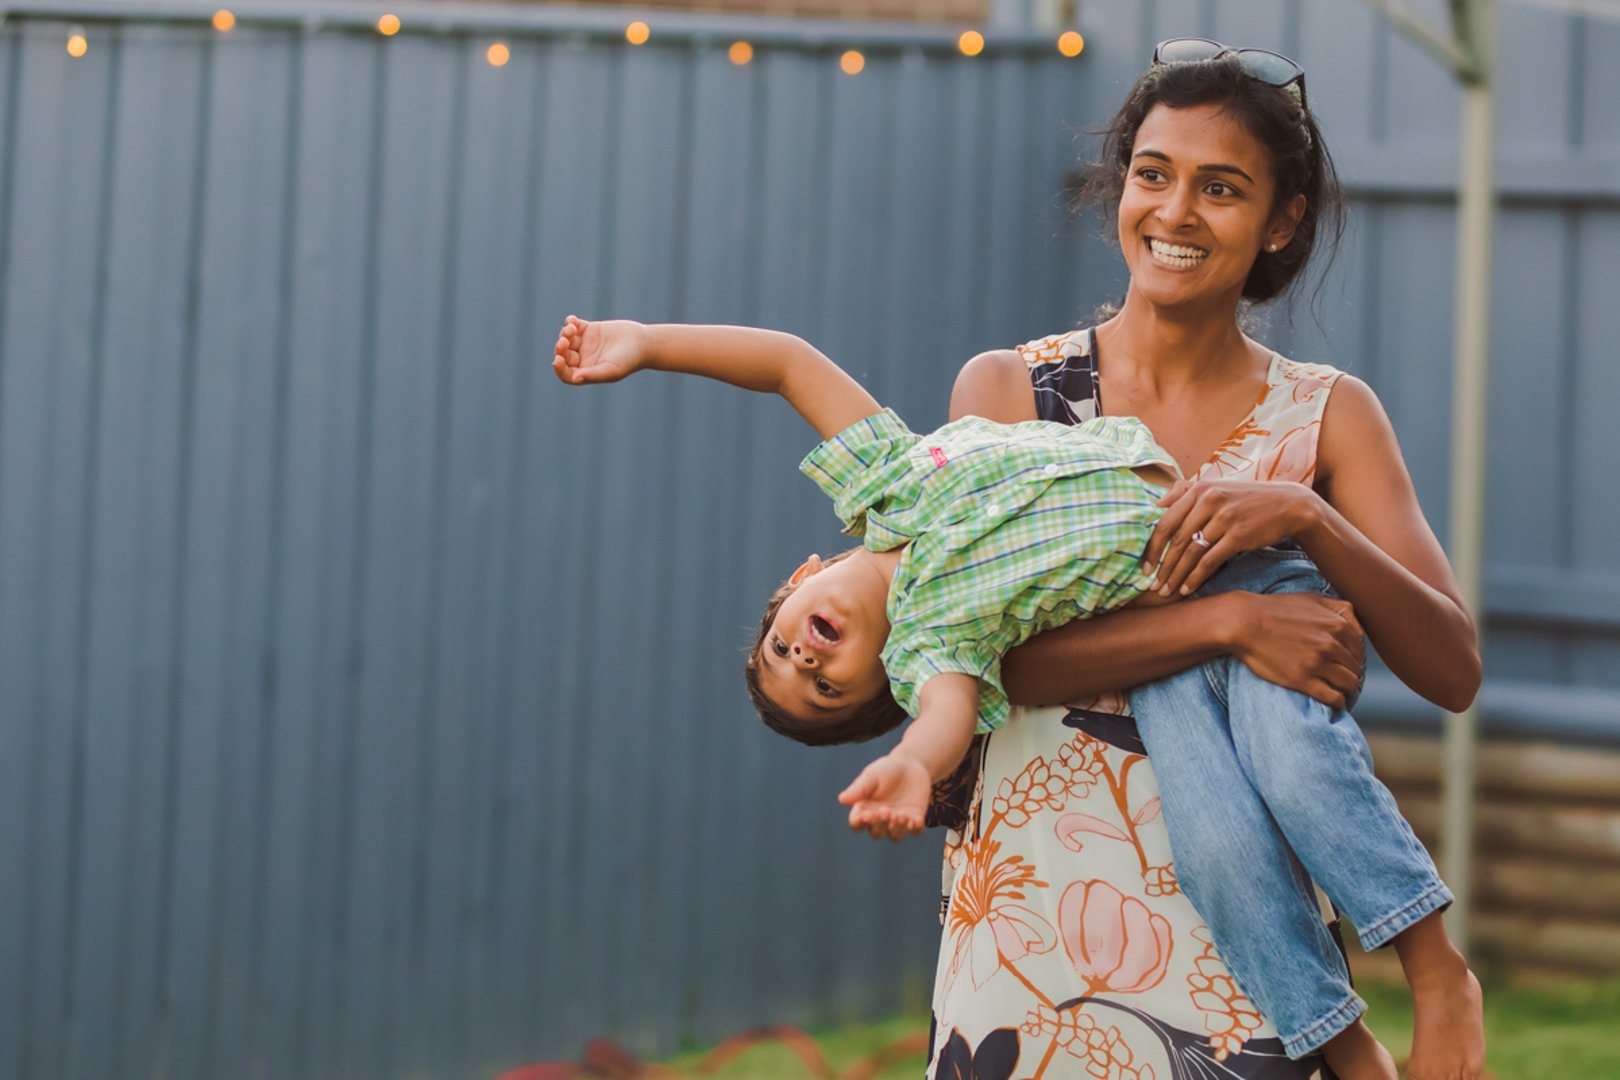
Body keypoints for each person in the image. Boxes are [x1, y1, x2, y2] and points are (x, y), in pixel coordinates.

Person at [551, 297, 1465, 1077]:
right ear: (887, 681)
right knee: (1219, 847)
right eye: (823, 690)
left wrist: (645, 343)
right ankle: (1344, 1045)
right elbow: (951, 711)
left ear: (797, 579)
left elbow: (788, 364)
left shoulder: (890, 477)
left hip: (1243, 565)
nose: (805, 660)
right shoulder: (937, 639)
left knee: (1304, 772)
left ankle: (1435, 971)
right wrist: (913, 767)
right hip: (1172, 648)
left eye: (779, 650)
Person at [926, 38, 1484, 1080]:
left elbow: (1451, 669)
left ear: (1281, 222)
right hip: (1028, 934)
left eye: (1220, 188)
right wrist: (1230, 620)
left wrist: (1309, 522)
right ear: (1119, 188)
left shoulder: (1328, 417)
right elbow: (979, 665)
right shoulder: (1009, 395)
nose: (1176, 215)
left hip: (1249, 965)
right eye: (1154, 175)